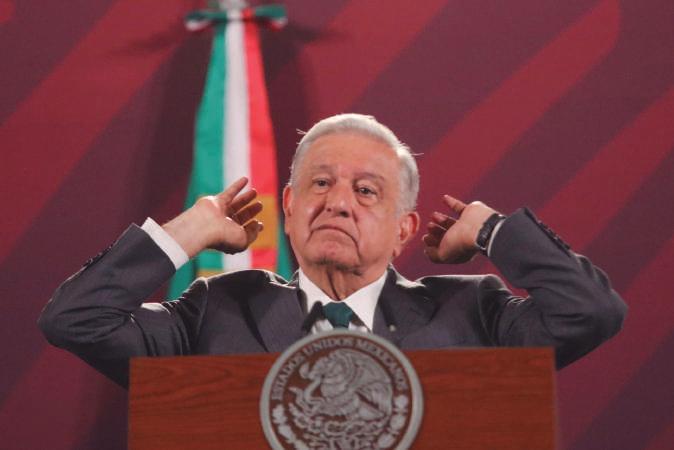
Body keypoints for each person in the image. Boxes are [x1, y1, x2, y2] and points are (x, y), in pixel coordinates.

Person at [38, 114, 627, 387]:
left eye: (366, 191)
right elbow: (75, 320)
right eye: (320, 184)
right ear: (289, 207)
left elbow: (591, 312)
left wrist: (493, 230)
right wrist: (187, 233)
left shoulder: (474, 313)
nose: (338, 203)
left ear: (403, 229)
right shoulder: (214, 311)